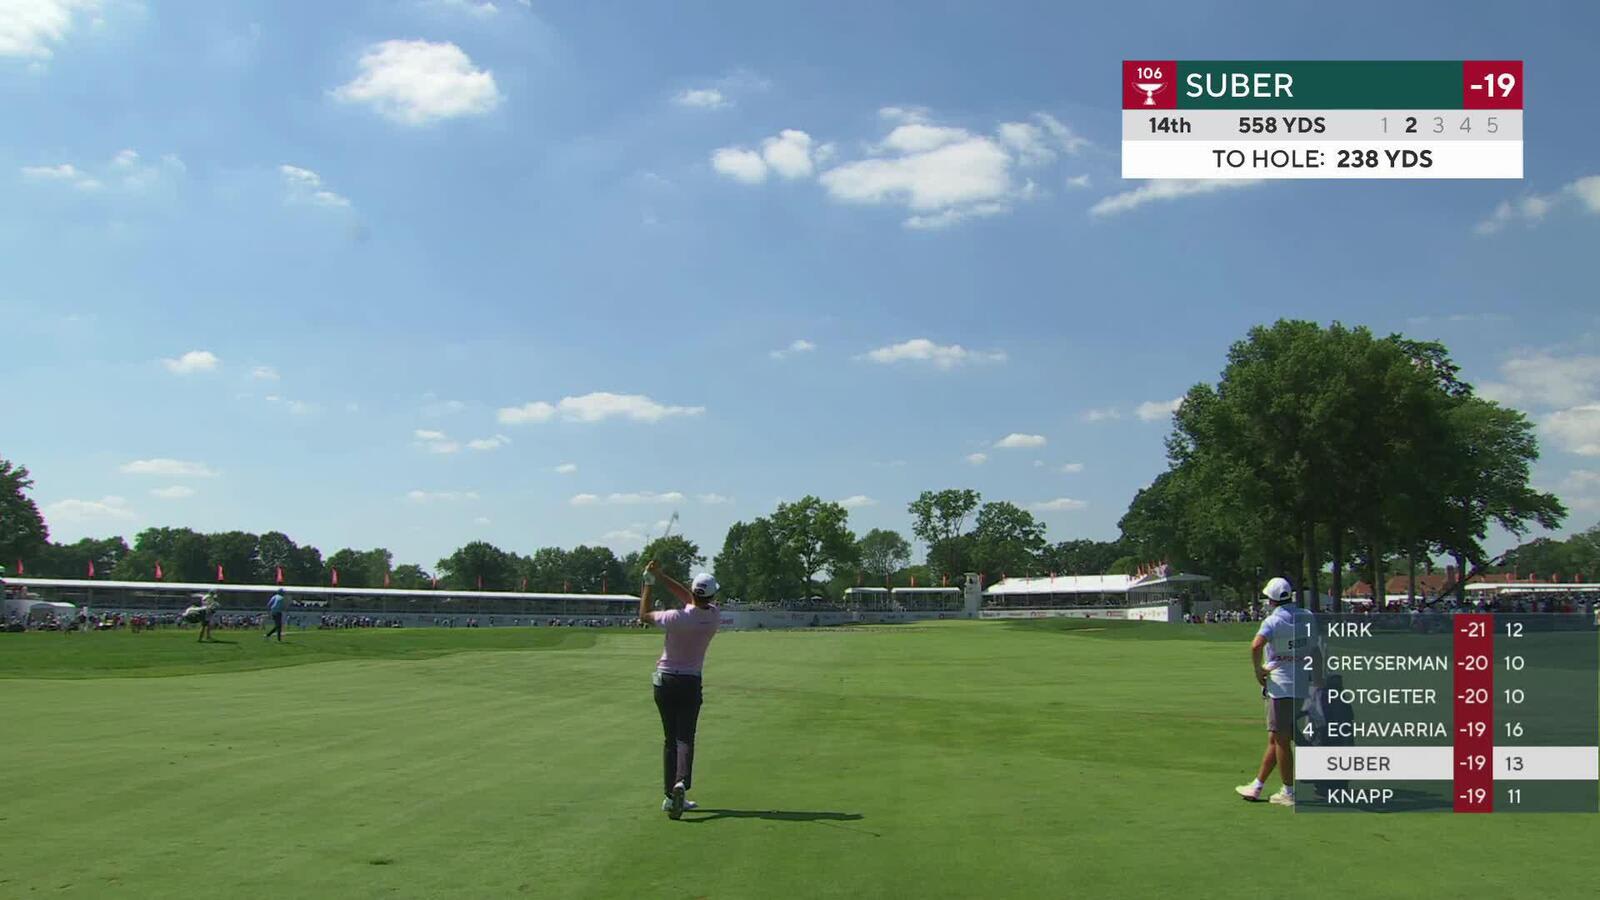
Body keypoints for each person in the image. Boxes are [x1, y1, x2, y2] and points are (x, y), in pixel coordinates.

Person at [640, 559, 721, 819]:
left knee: (669, 739)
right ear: (712, 595)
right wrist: (661, 575)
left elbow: (643, 615)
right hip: (690, 681)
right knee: (685, 737)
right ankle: (680, 783)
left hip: (665, 680)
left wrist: (650, 582)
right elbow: (690, 596)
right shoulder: (713, 617)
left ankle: (668, 795)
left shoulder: (675, 618)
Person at [1236, 576, 1320, 807]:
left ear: (1271, 600)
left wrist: (1258, 671)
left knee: (1282, 740)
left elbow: (1255, 646)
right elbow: (1315, 651)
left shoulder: (1273, 621)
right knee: (1276, 737)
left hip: (1281, 686)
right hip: (1303, 684)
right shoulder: (1307, 617)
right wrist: (1319, 683)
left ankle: (1289, 791)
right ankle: (1257, 785)